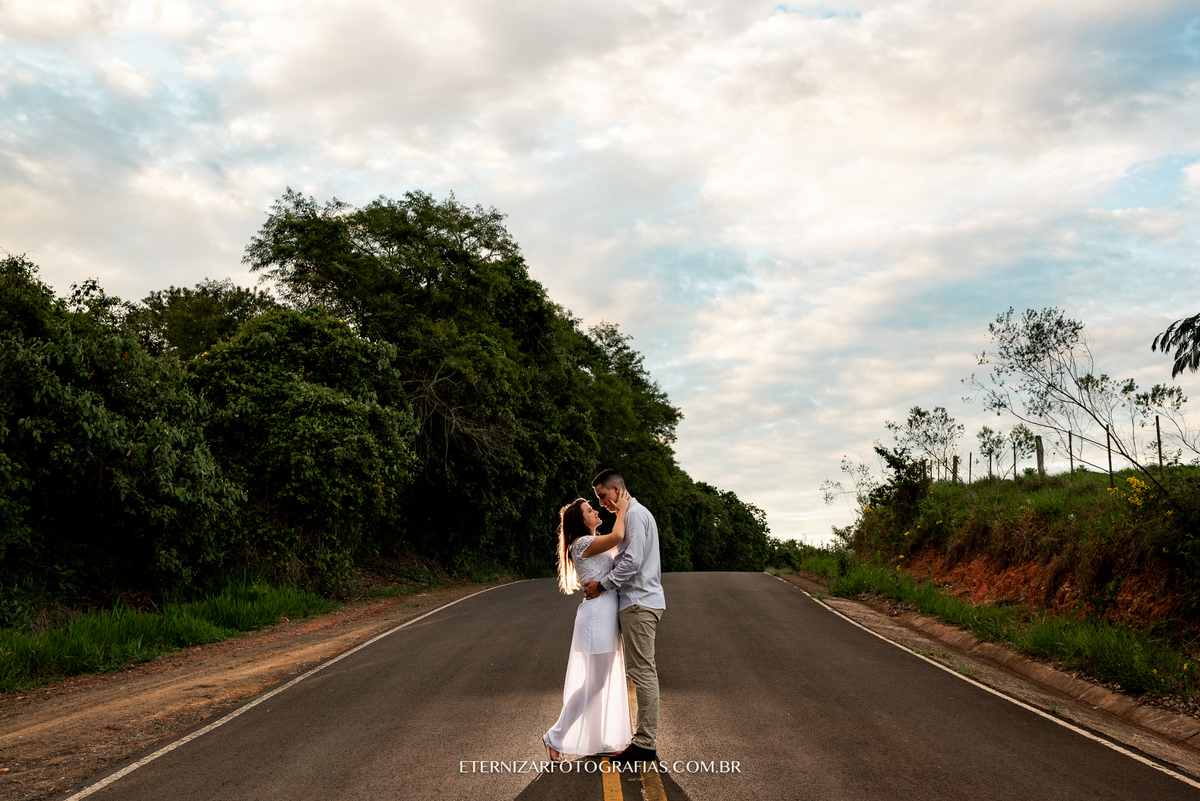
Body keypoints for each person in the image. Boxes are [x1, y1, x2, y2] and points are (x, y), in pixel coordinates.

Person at [582, 469, 665, 767]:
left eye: (603, 496)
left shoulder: (634, 515)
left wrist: (603, 585)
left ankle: (645, 744)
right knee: (640, 670)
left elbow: (632, 561)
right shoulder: (630, 515)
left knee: (642, 671)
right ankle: (642, 741)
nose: (602, 503)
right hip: (637, 602)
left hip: (639, 603)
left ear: (616, 490)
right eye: (598, 499)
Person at [543, 487, 633, 762]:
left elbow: (622, 548)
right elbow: (618, 535)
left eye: (595, 508)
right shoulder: (581, 543)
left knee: (600, 681)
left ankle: (599, 740)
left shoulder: (593, 541)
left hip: (606, 613)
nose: (595, 510)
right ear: (580, 521)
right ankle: (555, 735)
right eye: (589, 510)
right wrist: (622, 508)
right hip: (596, 616)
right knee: (594, 683)